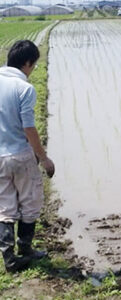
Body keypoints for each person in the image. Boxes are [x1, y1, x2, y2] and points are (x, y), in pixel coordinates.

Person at [0, 40, 55, 272]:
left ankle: (9, 259)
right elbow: (29, 128)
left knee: (4, 206)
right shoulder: (24, 88)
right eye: (33, 66)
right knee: (30, 201)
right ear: (27, 63)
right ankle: (26, 249)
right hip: (20, 155)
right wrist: (43, 158)